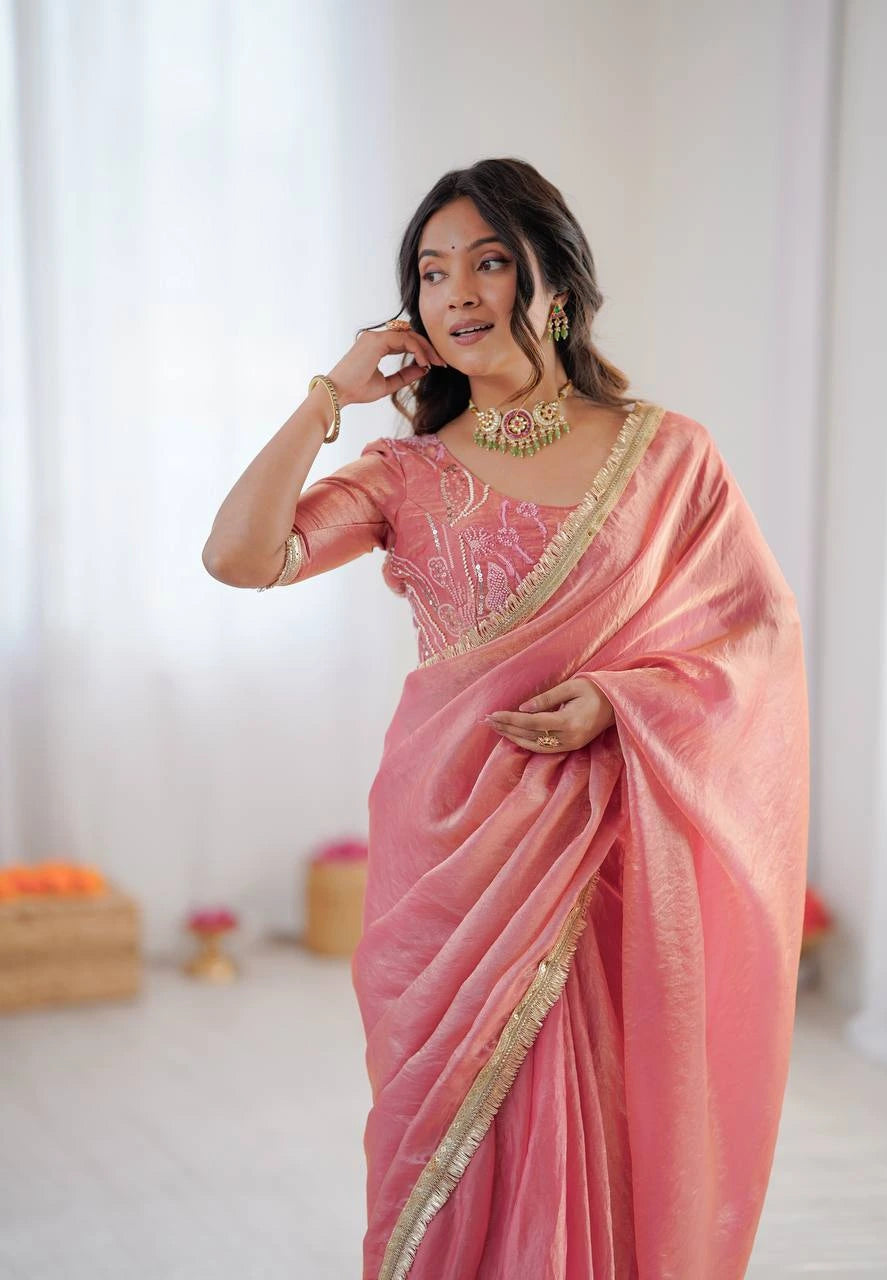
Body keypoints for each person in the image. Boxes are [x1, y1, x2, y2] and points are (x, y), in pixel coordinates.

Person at [203, 157, 809, 1280]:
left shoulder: (667, 454)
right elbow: (237, 555)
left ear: (555, 285)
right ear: (413, 314)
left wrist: (621, 701)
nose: (459, 290)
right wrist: (329, 393)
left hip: (604, 860)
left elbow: (756, 636)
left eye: (489, 260)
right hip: (450, 861)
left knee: (596, 1131)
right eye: (432, 272)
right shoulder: (405, 471)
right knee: (444, 1151)